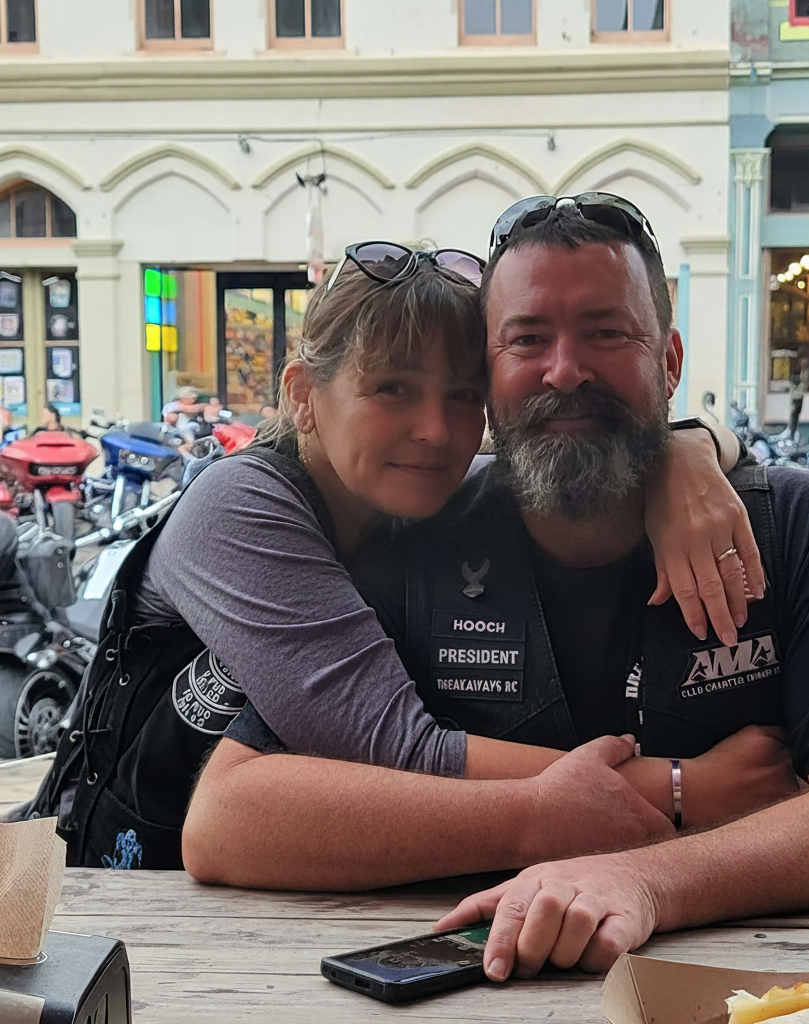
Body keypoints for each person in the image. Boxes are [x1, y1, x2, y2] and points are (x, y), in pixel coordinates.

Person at [182, 195, 809, 947]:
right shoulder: (409, 542)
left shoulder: (795, 529)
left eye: (606, 333)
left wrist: (646, 880)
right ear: (491, 375)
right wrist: (601, 810)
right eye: (527, 339)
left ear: (669, 362)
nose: (566, 371)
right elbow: (227, 820)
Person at [19, 236, 765, 873]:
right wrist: (683, 789)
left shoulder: (413, 494)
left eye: (463, 395)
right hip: (115, 891)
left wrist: (687, 450)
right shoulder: (238, 506)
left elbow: (620, 453)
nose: (436, 431)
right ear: (303, 394)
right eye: (393, 389)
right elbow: (393, 746)